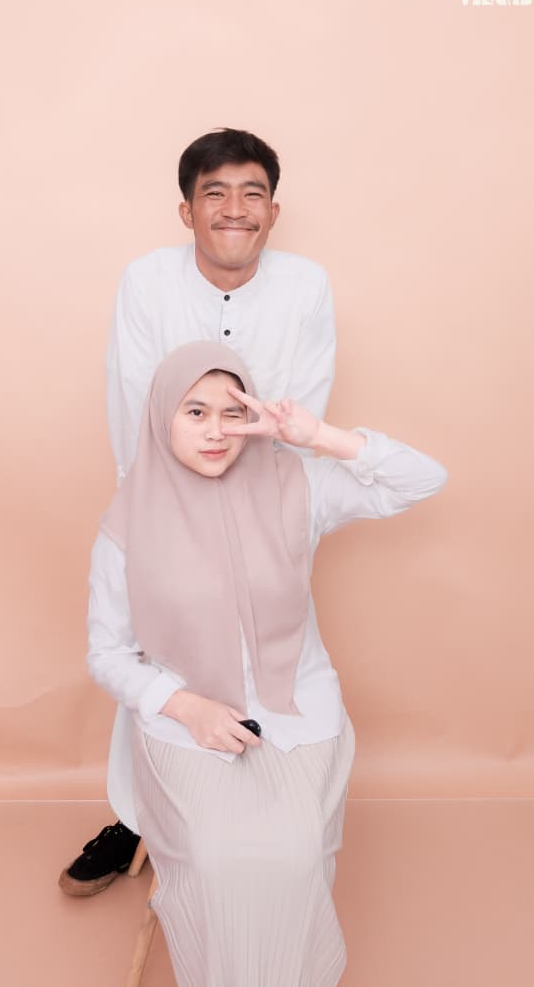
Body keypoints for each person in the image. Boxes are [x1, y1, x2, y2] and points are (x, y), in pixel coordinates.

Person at [86, 341, 447, 986]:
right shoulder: (126, 523)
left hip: (298, 714)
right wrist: (185, 706)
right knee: (215, 861)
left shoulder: (298, 484)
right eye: (195, 412)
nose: (216, 431)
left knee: (296, 857)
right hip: (186, 727)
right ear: (162, 415)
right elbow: (107, 654)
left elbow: (423, 479)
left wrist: (316, 435)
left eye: (232, 413)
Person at [59, 127, 337, 895]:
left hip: (265, 498)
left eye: (252, 194)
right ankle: (138, 817)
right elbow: (132, 396)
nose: (234, 209)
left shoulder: (307, 284)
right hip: (163, 493)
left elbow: (305, 403)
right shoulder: (147, 279)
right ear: (187, 210)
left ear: (273, 211)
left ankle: (261, 808)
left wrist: (268, 505)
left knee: (265, 653)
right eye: (215, 193)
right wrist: (153, 509)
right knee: (154, 654)